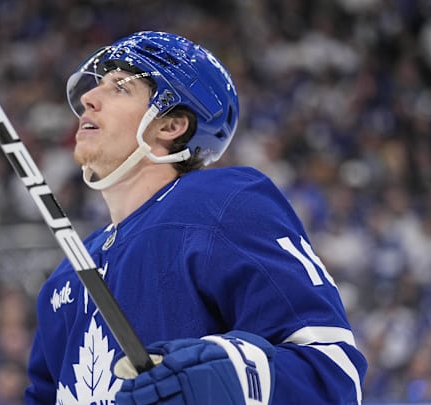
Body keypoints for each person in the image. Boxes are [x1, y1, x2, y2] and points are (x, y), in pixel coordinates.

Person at [25, 31, 367, 404]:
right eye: (98, 86)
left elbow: (334, 372)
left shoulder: (223, 204)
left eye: (120, 87)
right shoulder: (67, 275)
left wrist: (232, 376)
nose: (88, 99)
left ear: (171, 126)